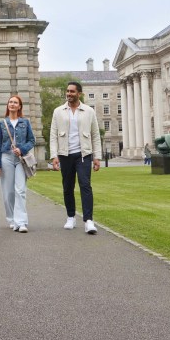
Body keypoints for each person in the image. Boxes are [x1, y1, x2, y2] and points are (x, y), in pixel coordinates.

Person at [50, 81, 101, 234]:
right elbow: (53, 135)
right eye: (67, 91)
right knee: (67, 187)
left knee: (85, 185)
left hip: (83, 153)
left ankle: (89, 220)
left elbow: (95, 135)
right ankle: (71, 217)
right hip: (65, 154)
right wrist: (54, 156)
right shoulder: (58, 111)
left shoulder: (88, 111)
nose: (69, 94)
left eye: (72, 91)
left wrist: (97, 157)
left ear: (79, 93)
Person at [0, 95, 35, 233]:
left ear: (19, 106)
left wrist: (22, 149)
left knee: (21, 190)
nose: (12, 104)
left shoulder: (25, 122)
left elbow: (32, 140)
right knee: (8, 192)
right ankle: (12, 219)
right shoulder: (2, 123)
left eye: (15, 102)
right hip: (6, 158)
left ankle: (21, 222)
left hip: (20, 159)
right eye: (10, 102)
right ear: (8, 105)